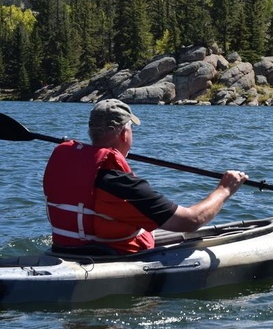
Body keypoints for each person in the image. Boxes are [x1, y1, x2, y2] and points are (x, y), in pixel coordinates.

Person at [42, 98, 248, 255]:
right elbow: (190, 221)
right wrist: (225, 189)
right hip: (112, 257)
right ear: (123, 134)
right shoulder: (121, 183)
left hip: (67, 250)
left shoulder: (68, 170)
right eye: (131, 130)